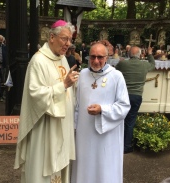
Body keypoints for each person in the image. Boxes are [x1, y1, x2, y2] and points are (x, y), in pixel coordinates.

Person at [14, 20, 79, 183]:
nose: (68, 44)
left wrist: (73, 85)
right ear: (51, 37)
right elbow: (35, 94)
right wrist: (63, 85)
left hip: (62, 126)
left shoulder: (62, 59)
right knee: (41, 171)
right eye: (64, 39)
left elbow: (68, 90)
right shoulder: (38, 61)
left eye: (70, 40)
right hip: (45, 127)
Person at [71, 43, 131, 183]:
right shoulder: (83, 75)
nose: (96, 61)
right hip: (84, 134)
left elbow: (124, 106)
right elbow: (76, 105)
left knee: (104, 167)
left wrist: (102, 110)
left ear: (107, 57)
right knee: (84, 166)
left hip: (106, 136)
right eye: (92, 57)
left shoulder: (116, 76)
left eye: (100, 57)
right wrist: (73, 128)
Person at [116, 46, 155, 154]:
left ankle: (116, 144)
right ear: (140, 54)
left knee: (119, 119)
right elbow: (153, 64)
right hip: (136, 96)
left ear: (129, 54)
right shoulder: (144, 65)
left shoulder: (123, 64)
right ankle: (127, 146)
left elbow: (116, 70)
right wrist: (150, 54)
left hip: (123, 95)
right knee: (130, 121)